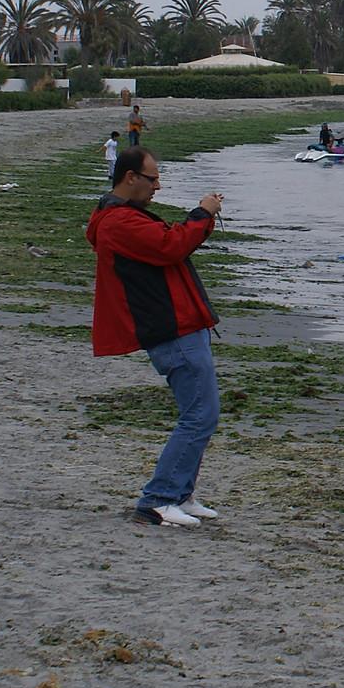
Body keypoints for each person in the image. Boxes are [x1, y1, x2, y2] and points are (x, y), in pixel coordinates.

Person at [88, 146, 226, 528]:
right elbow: (172, 245)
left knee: (201, 413)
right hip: (170, 329)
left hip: (178, 327)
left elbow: (169, 244)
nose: (158, 186)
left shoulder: (123, 217)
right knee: (199, 415)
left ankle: (180, 493)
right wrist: (203, 213)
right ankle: (158, 499)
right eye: (152, 179)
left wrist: (201, 219)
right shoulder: (119, 222)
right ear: (130, 177)